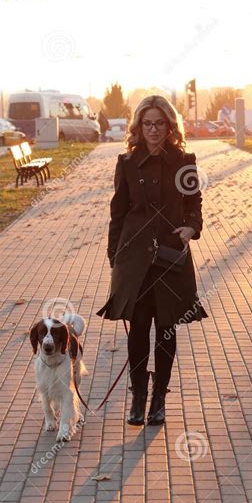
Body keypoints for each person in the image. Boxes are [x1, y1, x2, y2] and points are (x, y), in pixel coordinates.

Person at [97, 95, 208, 426]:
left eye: (160, 123)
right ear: (138, 126)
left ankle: (159, 398)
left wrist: (191, 227)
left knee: (166, 327)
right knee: (138, 328)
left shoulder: (184, 161)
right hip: (134, 258)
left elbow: (194, 202)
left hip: (171, 255)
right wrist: (114, 255)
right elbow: (118, 213)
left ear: (170, 126)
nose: (154, 130)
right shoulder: (127, 162)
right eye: (148, 123)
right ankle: (138, 398)